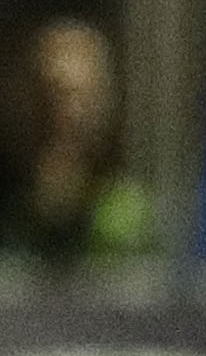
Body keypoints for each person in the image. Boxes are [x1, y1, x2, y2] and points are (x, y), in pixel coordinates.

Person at [3, 20, 152, 266]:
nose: (64, 114)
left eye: (77, 96)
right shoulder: (12, 212)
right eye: (48, 95)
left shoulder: (128, 212)